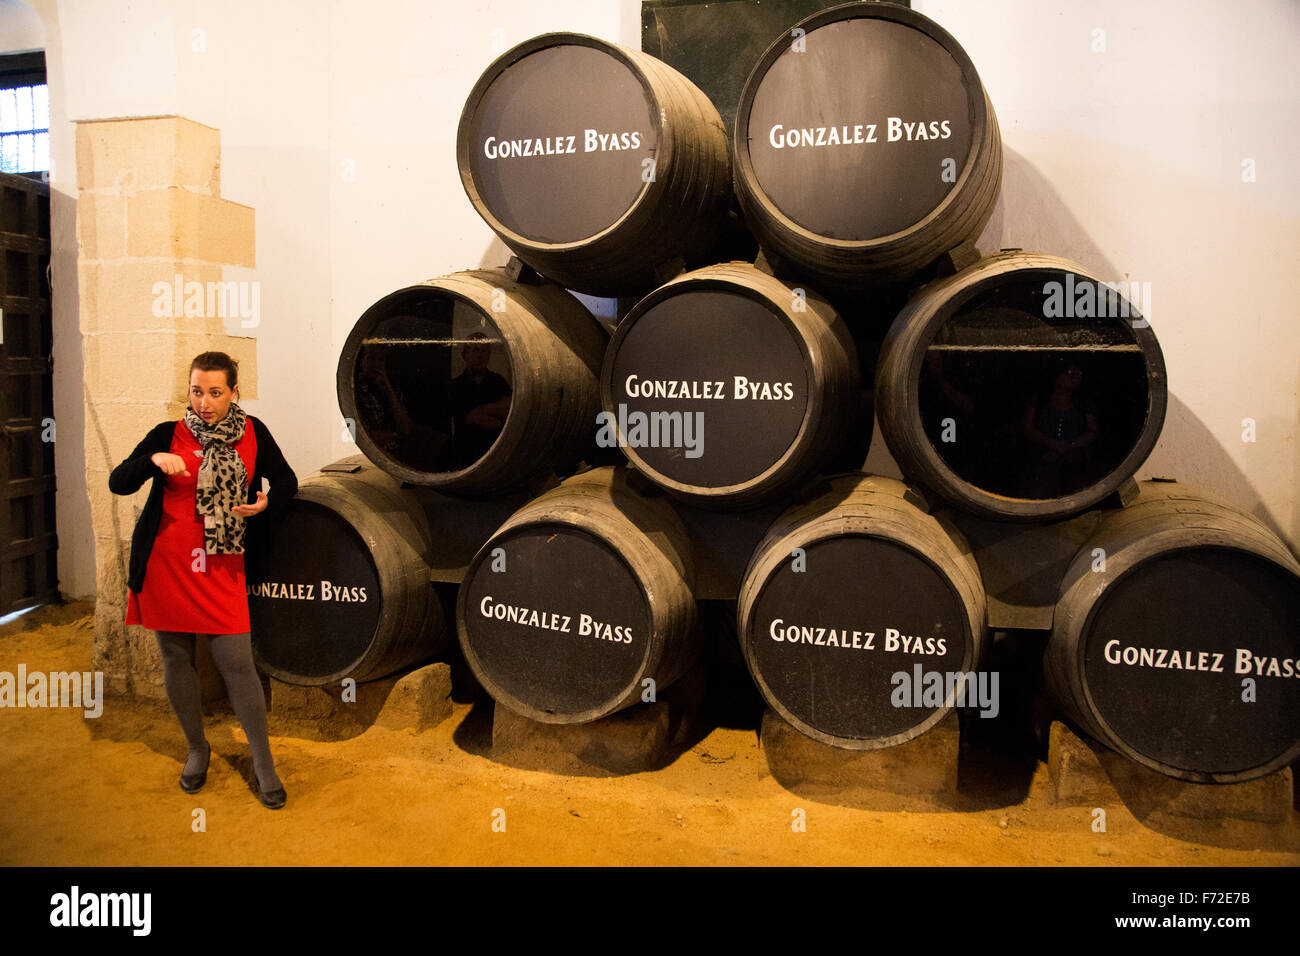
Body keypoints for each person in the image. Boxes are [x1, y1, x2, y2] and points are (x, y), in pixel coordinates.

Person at [108, 351, 298, 809]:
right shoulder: (168, 434)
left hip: (222, 565)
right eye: (197, 391)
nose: (205, 402)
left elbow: (287, 482)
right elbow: (119, 482)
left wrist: (265, 504)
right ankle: (197, 749)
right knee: (176, 660)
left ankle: (263, 761)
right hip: (167, 566)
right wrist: (154, 459)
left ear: (235, 391)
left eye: (215, 392)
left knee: (237, 663)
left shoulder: (254, 433)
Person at [448, 333, 512, 468]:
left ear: (489, 355)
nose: (480, 356)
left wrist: (482, 410)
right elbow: (472, 419)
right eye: (475, 350)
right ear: (465, 354)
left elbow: (509, 413)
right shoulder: (456, 386)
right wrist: (496, 410)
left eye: (484, 351)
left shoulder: (498, 382)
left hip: (496, 457)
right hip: (465, 458)